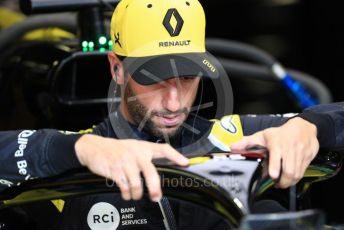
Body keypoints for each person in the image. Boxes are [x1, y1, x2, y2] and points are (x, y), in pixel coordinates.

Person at [0, 0, 344, 228]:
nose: (175, 101)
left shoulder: (236, 137)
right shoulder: (77, 161)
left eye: (187, 76)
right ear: (117, 69)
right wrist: (77, 149)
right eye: (155, 78)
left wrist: (311, 125)